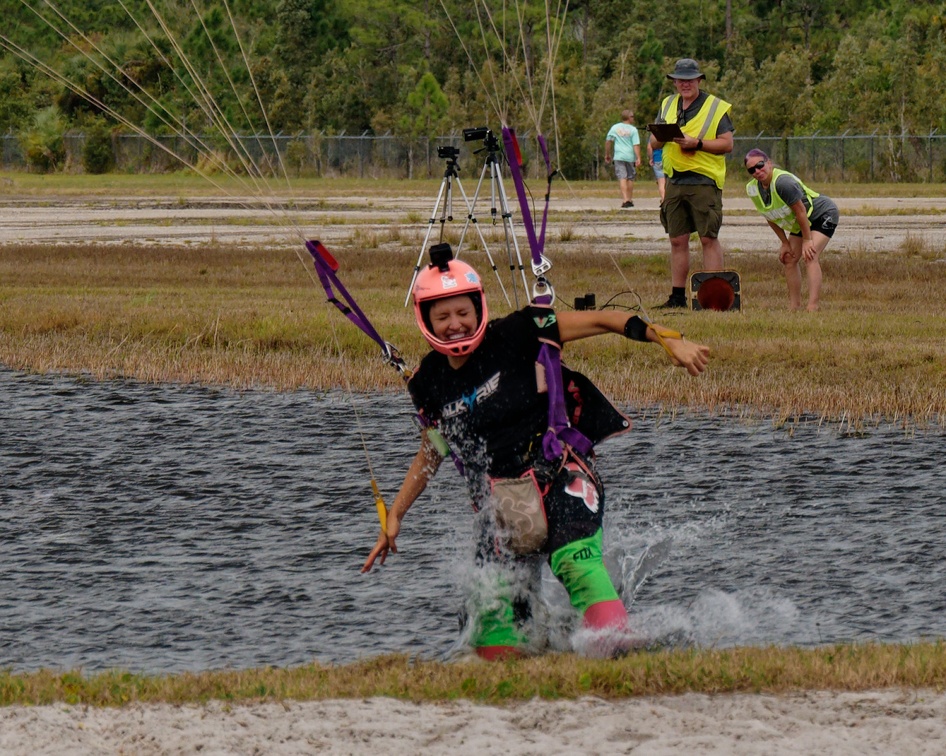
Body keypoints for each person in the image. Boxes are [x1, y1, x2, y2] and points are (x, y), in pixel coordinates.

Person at [362, 243, 710, 661]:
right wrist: (396, 514)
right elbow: (432, 453)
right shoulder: (429, 381)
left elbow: (604, 319)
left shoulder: (517, 332)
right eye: (443, 316)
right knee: (491, 615)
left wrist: (664, 338)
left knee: (573, 562)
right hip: (500, 505)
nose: (455, 324)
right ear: (426, 321)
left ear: (478, 310)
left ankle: (618, 643)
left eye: (462, 313)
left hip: (560, 477)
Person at [648, 58, 734, 309]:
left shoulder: (715, 107)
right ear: (674, 81)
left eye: (689, 79)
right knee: (677, 240)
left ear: (699, 80)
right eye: (680, 80)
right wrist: (658, 139)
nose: (684, 84)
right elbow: (654, 142)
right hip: (674, 178)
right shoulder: (667, 104)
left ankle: (714, 299)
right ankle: (677, 298)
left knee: (708, 238)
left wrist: (697, 143)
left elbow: (727, 144)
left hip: (704, 180)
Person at [744, 149, 839, 312]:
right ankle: (794, 307)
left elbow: (801, 211)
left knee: (810, 255)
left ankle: (812, 306)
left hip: (821, 214)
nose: (757, 171)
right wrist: (785, 243)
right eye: (751, 170)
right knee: (788, 258)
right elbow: (769, 215)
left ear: (769, 162)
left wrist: (807, 240)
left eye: (760, 165)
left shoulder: (783, 183)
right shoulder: (752, 188)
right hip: (800, 221)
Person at [604, 110, 642, 208]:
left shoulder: (615, 128)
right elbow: (636, 145)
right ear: (629, 118)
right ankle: (629, 199)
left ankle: (625, 199)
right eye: (632, 116)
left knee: (622, 177)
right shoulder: (633, 130)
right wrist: (638, 157)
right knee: (630, 178)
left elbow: (608, 141)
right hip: (630, 156)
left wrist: (607, 154)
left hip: (619, 156)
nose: (633, 118)